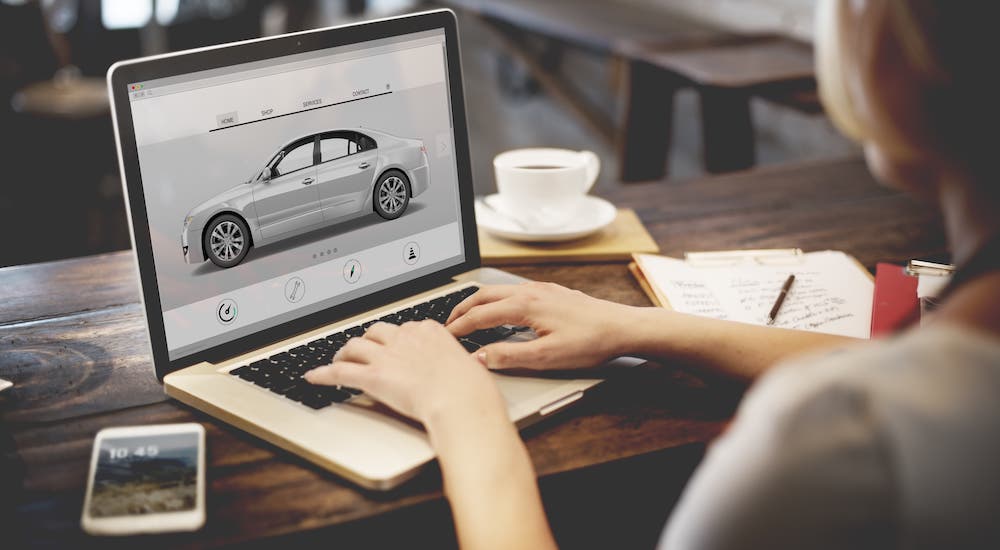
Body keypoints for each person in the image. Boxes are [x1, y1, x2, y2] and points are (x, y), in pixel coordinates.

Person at [305, 1, 1000, 547]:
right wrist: (638, 326)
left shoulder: (835, 435)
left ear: (924, 61)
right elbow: (889, 360)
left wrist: (462, 412)